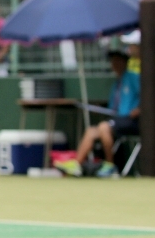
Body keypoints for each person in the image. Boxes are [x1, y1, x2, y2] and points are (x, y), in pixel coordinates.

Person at [55, 50, 140, 178]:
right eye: (112, 62)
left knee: (103, 127)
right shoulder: (116, 84)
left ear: (125, 63)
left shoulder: (134, 77)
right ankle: (77, 165)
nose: (114, 64)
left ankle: (110, 166)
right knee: (91, 131)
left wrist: (139, 109)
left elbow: (148, 96)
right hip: (118, 120)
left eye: (117, 61)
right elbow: (114, 107)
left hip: (132, 121)